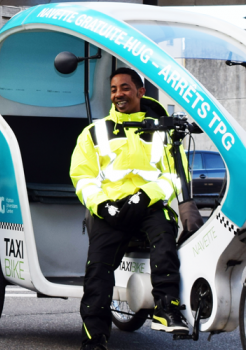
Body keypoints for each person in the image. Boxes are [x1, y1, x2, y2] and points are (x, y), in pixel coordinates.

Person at [69, 67, 204, 350]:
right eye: (114, 89)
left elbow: (175, 176)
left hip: (150, 206)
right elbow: (82, 178)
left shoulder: (163, 131)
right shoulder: (94, 133)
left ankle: (166, 309)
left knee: (165, 243)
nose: (119, 94)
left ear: (140, 92)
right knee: (97, 269)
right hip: (110, 210)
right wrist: (103, 206)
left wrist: (145, 197)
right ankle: (94, 339)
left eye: (126, 88)